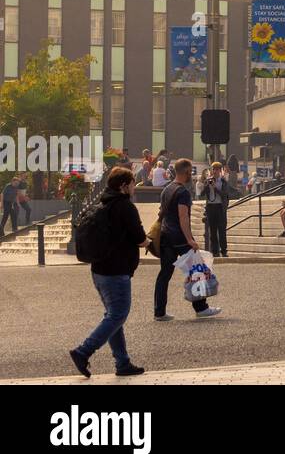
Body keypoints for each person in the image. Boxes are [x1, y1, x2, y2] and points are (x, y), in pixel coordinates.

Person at [69, 166, 148, 378]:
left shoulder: (103, 203)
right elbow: (140, 238)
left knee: (114, 316)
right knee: (118, 315)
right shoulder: (125, 207)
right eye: (132, 183)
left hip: (99, 270)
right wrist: (151, 242)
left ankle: (122, 363)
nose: (134, 187)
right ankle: (83, 351)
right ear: (123, 186)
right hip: (117, 270)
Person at [154, 159, 221, 320]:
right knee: (197, 269)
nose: (191, 175)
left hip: (165, 236)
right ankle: (201, 308)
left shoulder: (166, 189)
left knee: (164, 274)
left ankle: (159, 312)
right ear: (185, 172)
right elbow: (183, 216)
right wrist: (190, 239)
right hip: (179, 237)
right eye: (190, 172)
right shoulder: (182, 192)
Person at [198, 161, 233, 258]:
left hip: (220, 208)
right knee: (212, 231)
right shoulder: (208, 180)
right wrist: (206, 185)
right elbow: (201, 194)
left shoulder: (223, 182)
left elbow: (224, 195)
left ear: (220, 170)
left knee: (222, 230)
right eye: (214, 169)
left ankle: (224, 251)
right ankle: (215, 251)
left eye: (217, 169)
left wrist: (215, 188)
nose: (215, 171)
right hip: (210, 207)